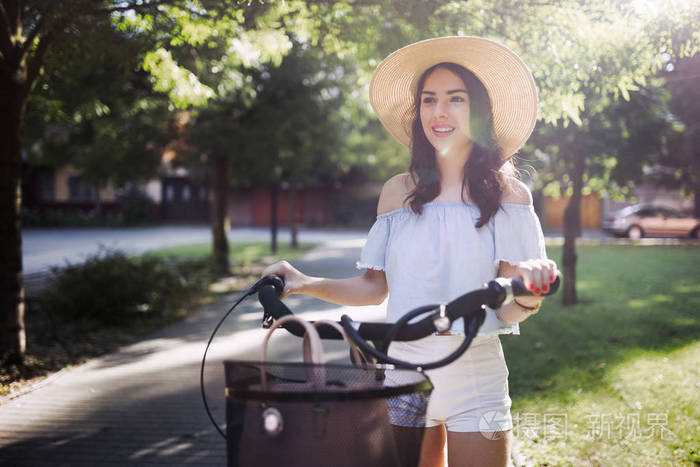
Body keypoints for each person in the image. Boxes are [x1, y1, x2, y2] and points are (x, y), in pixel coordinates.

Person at [262, 36, 559, 467]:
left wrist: (529, 298)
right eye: (429, 100)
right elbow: (373, 287)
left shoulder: (509, 195)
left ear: (479, 111)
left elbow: (507, 306)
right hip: (399, 371)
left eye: (456, 99)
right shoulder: (396, 192)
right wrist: (303, 282)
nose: (439, 112)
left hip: (475, 377)